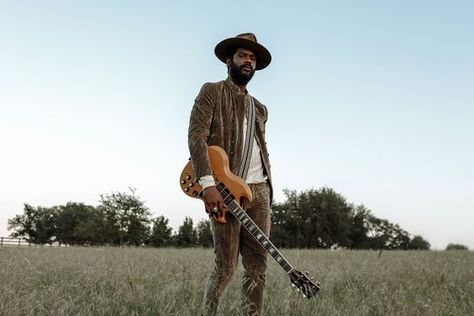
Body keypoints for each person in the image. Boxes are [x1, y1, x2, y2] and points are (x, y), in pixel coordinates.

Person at [188, 33, 273, 316]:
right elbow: (196, 137)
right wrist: (208, 185)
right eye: (242, 56)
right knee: (225, 267)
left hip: (259, 191)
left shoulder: (259, 108)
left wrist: (268, 191)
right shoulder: (211, 91)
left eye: (252, 59)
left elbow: (260, 148)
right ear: (229, 60)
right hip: (224, 190)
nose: (247, 62)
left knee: (257, 268)